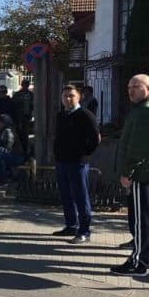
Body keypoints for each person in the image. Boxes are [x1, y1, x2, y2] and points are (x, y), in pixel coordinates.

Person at [111, 74, 149, 276]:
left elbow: (138, 147)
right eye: (129, 88)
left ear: (148, 87)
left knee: (141, 219)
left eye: (136, 87)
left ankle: (138, 263)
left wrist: (127, 172)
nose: (130, 91)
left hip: (142, 173)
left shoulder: (147, 110)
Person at [52, 85, 101, 244]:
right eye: (65, 96)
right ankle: (71, 225)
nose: (68, 99)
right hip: (62, 161)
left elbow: (96, 138)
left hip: (78, 163)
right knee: (66, 195)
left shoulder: (85, 115)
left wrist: (84, 153)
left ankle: (84, 231)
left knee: (81, 197)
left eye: (71, 96)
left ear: (78, 97)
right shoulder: (61, 115)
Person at [11, 78, 34, 156]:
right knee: (19, 135)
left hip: (27, 117)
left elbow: (34, 105)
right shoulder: (17, 94)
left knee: (25, 135)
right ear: (22, 85)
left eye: (26, 85)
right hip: (19, 118)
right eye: (24, 85)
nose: (25, 86)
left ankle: (25, 152)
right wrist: (19, 101)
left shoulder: (31, 94)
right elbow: (13, 103)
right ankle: (20, 151)